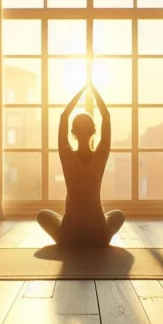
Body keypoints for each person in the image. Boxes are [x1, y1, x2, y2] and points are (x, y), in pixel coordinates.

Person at [37, 81, 125, 247]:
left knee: (43, 215)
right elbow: (106, 116)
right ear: (94, 131)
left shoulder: (67, 155)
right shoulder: (101, 155)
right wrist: (92, 89)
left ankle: (68, 236)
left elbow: (64, 116)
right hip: (98, 234)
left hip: (69, 235)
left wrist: (81, 91)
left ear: (73, 133)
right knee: (118, 215)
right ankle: (100, 236)